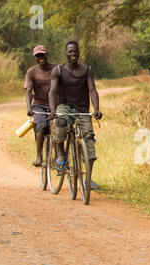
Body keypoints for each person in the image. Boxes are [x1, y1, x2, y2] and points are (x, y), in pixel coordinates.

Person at [48, 40, 103, 190]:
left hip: (82, 109)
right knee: (60, 123)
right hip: (65, 106)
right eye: (70, 51)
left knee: (89, 139)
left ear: (79, 52)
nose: (73, 54)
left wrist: (96, 109)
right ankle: (61, 155)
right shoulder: (58, 71)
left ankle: (88, 180)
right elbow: (52, 91)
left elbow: (92, 90)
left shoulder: (87, 70)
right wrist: (53, 110)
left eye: (75, 51)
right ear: (65, 53)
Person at [24, 45, 56, 167]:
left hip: (55, 104)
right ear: (35, 58)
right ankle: (39, 156)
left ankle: (59, 157)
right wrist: (29, 108)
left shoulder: (56, 69)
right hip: (39, 104)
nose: (40, 58)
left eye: (42, 55)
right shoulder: (31, 72)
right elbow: (28, 91)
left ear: (47, 54)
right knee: (41, 124)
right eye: (38, 56)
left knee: (61, 126)